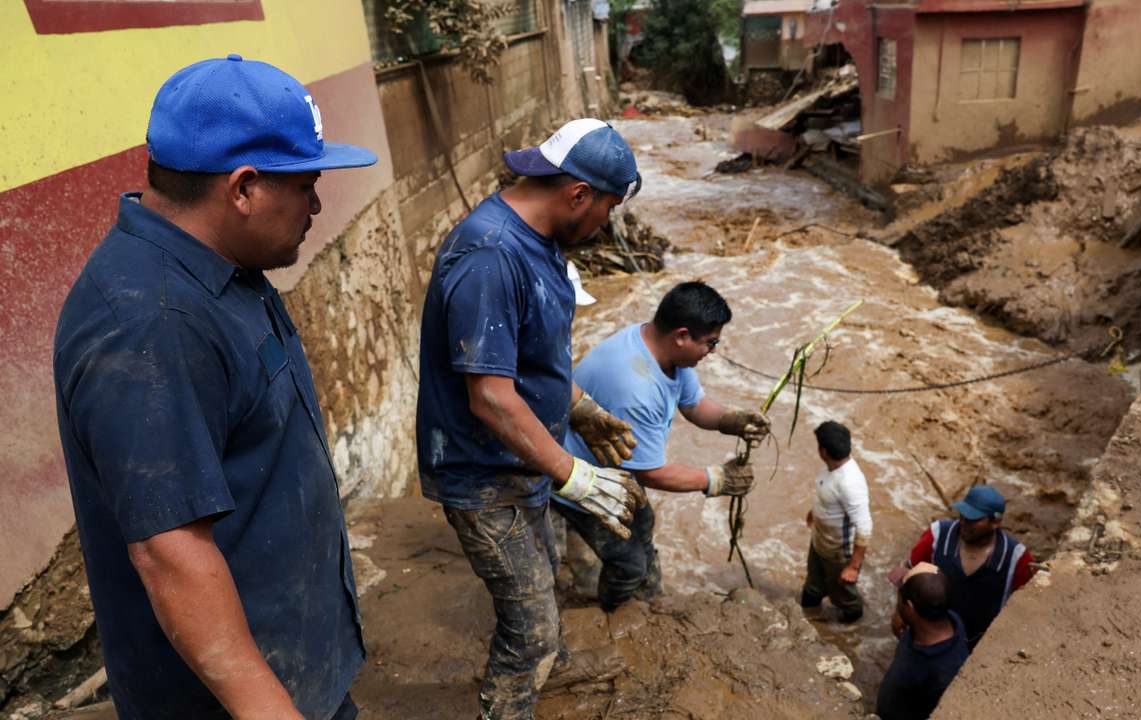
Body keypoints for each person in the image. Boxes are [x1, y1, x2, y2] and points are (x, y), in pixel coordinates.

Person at [53, 55, 377, 719]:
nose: (317, 204)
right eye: (307, 183)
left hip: (294, 662)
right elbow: (169, 551)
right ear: (244, 189)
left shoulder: (223, 267)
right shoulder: (150, 324)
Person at [416, 118, 647, 720]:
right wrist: (577, 475)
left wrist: (581, 409)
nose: (605, 225)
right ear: (577, 195)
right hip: (484, 476)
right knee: (530, 629)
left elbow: (530, 359)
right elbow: (490, 395)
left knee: (543, 576)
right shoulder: (491, 255)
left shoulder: (539, 243)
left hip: (523, 463)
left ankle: (556, 666)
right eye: (605, 210)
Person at [554, 281, 769, 610]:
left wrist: (731, 420)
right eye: (709, 344)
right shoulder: (636, 388)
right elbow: (651, 473)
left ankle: (646, 592)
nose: (712, 352)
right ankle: (611, 613)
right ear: (682, 335)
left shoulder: (661, 349)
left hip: (613, 469)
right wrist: (715, 480)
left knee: (644, 523)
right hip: (580, 478)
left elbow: (694, 404)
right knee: (628, 566)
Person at [903, 484, 1037, 649]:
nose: (963, 523)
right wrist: (899, 614)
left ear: (995, 522)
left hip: (978, 644)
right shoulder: (937, 535)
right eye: (962, 515)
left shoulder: (1016, 558)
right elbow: (908, 573)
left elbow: (1024, 608)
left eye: (973, 520)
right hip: (925, 636)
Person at [876, 564, 970, 720]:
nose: (897, 601)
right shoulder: (950, 619)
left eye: (900, 597)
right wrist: (902, 614)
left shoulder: (943, 675)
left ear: (910, 607)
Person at [801, 420, 872, 623]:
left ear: (823, 451)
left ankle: (850, 635)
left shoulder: (850, 483)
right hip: (820, 544)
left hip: (838, 554)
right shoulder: (830, 470)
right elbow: (829, 498)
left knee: (846, 600)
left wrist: (853, 567)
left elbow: (865, 527)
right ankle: (810, 621)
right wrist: (814, 512)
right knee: (811, 591)